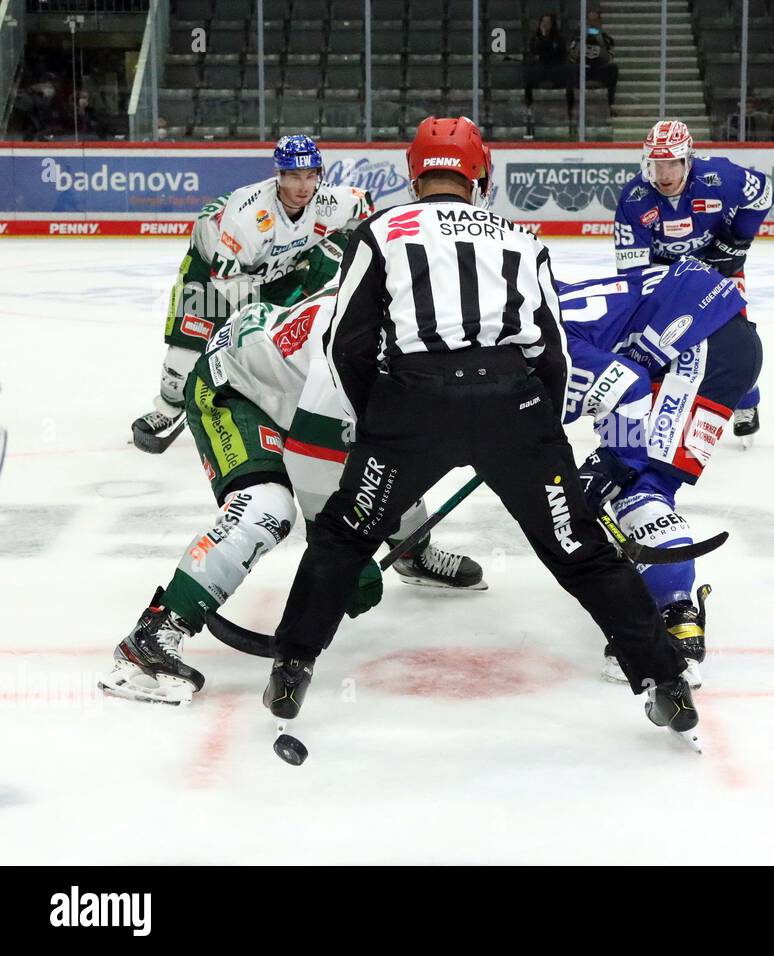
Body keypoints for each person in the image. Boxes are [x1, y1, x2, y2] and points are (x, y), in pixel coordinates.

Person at [261, 116, 699, 742]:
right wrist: (536, 428)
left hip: (411, 406)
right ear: (480, 173)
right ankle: (666, 683)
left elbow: (346, 342)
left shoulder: (379, 231)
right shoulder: (520, 238)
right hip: (511, 405)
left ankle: (293, 664)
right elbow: (553, 352)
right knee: (580, 551)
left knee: (343, 536)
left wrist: (380, 418)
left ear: (415, 174)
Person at [101, 244, 484, 706]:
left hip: (292, 387)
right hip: (237, 389)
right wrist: (344, 562)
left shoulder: (416, 315)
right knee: (267, 508)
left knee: (391, 459)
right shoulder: (351, 342)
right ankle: (155, 634)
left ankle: (412, 554)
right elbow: (315, 462)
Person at [559, 259, 762, 687]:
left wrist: (613, 463)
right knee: (636, 470)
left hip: (696, 349)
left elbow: (626, 383)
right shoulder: (536, 302)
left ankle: (674, 624)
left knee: (638, 485)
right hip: (717, 339)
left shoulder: (547, 345)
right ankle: (673, 608)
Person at [129, 134, 374, 454]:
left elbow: (366, 207)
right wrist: (257, 321)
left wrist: (331, 252)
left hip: (278, 268)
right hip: (214, 270)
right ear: (279, 175)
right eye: (295, 176)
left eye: (311, 175)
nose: (304, 186)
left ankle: (269, 402)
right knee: (184, 357)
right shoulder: (249, 218)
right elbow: (227, 278)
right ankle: (170, 406)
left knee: (285, 342)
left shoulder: (328, 200)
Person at [612, 119, 773, 442]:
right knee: (652, 336)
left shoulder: (720, 177)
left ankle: (746, 401)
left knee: (734, 335)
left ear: (688, 159)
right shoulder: (634, 198)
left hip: (718, 265)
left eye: (672, 163)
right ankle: (649, 401)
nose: (664, 173)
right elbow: (632, 273)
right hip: (663, 272)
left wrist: (738, 240)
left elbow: (763, 193)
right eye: (658, 164)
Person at [524, 13, 574, 123]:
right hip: (541, 67)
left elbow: (560, 52)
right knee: (529, 74)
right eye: (543, 22)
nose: (545, 24)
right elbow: (534, 51)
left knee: (569, 76)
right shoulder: (536, 38)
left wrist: (547, 50)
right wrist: (543, 37)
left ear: (553, 24)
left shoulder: (559, 38)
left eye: (548, 22)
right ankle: (529, 108)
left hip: (555, 67)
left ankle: (570, 110)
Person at [570, 8, 619, 108]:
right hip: (583, 69)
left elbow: (608, 58)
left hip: (599, 69)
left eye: (595, 21)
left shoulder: (607, 39)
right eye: (590, 20)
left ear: (600, 22)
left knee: (613, 69)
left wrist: (601, 43)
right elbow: (573, 57)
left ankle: (610, 104)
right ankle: (571, 107)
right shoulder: (577, 38)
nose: (592, 24)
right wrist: (582, 40)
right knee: (569, 69)